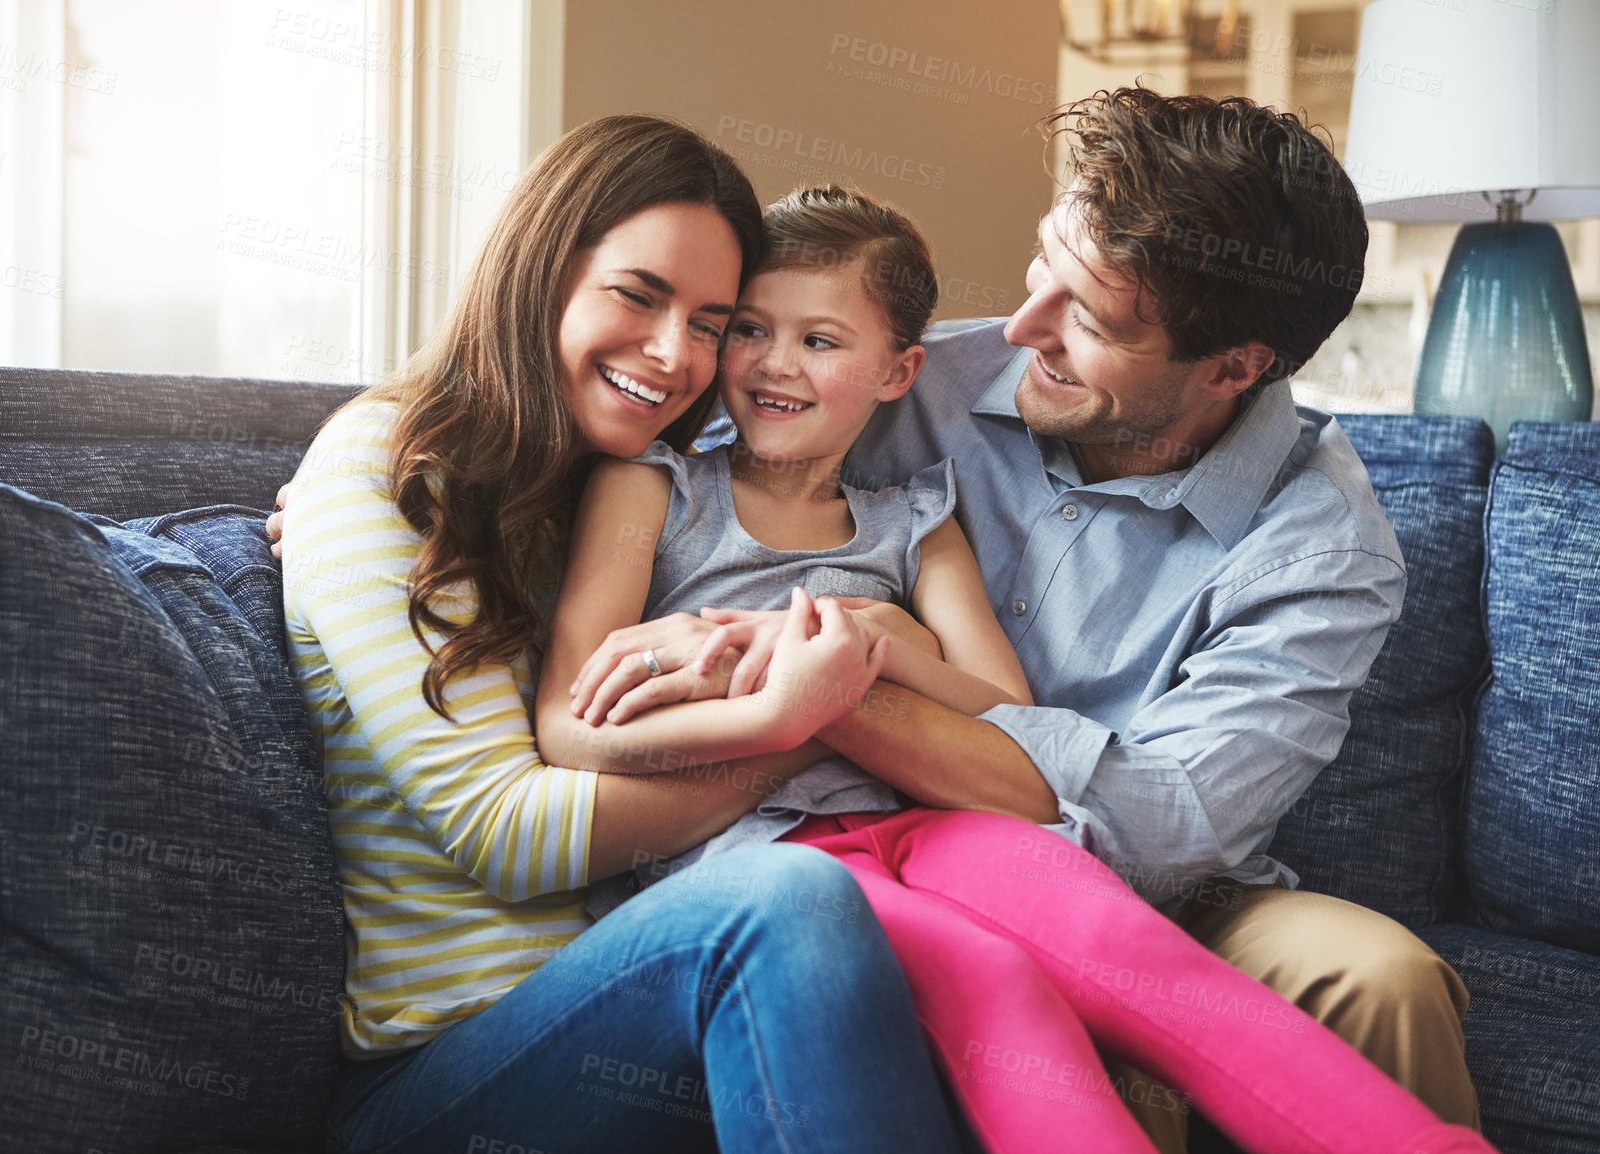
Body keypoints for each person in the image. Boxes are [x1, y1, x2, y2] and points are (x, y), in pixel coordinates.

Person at [568, 88, 1484, 1150]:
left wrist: (824, 677)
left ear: (1235, 366)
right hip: (827, 839)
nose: (1019, 327)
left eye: (1087, 320)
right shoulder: (898, 377)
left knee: (1378, 975)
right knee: (987, 981)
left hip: (1157, 886)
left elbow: (1163, 827)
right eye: (1044, 265)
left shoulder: (1320, 543)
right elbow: (680, 454)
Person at [274, 114, 966, 1153]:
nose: (672, 354)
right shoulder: (383, 465)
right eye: (639, 296)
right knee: (782, 902)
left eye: (707, 322)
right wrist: (814, 725)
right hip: (447, 1070)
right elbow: (501, 831)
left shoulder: (611, 493)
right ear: (539, 270)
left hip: (633, 996)